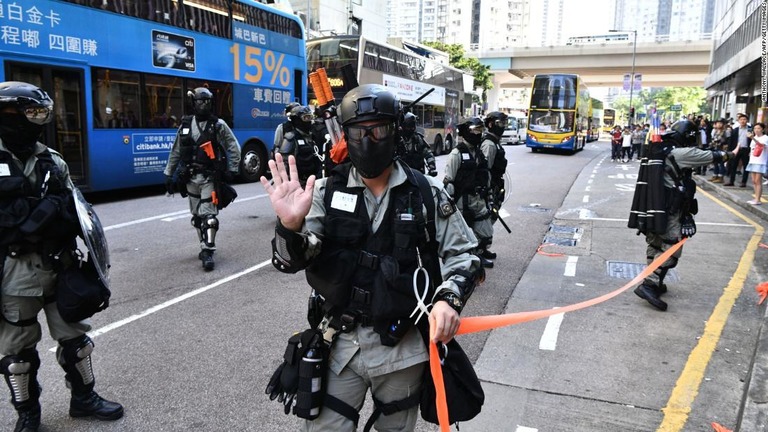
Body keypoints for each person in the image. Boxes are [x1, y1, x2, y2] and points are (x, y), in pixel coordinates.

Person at [260, 84, 482, 432]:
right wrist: (289, 226)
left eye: (379, 130)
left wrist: (449, 299)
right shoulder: (326, 191)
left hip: (402, 349)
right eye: (358, 132)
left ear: (394, 131)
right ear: (345, 134)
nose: (369, 140)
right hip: (339, 346)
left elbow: (465, 255)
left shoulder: (425, 193)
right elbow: (292, 260)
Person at [0, 81, 123, 432]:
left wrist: (51, 213)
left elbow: (77, 211)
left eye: (41, 113)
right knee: (17, 359)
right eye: (30, 112)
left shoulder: (52, 161)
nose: (37, 120)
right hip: (13, 274)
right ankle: (28, 414)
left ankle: (84, 399)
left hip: (58, 265)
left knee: (77, 343)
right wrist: (27, 216)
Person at [628, 119, 734, 311]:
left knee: (655, 244)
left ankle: (654, 282)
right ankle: (650, 285)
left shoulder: (662, 150)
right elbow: (711, 156)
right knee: (671, 248)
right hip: (670, 209)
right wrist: (732, 153)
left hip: (654, 207)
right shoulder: (682, 152)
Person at [163, 87, 241, 271]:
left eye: (207, 102)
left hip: (209, 178)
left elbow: (232, 145)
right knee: (197, 217)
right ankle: (202, 244)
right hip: (190, 178)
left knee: (209, 217)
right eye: (200, 101)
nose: (203, 105)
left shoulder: (218, 125)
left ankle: (208, 249)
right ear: (194, 103)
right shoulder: (186, 126)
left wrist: (233, 168)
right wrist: (168, 173)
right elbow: (176, 151)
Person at [444, 117, 495, 269]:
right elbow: (448, 181)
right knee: (464, 233)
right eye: (475, 130)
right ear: (466, 132)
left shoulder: (478, 152)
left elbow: (485, 175)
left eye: (480, 130)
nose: (478, 134)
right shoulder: (456, 154)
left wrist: (489, 195)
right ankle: (473, 258)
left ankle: (479, 251)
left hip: (478, 198)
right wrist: (450, 204)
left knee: (485, 231)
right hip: (462, 201)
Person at [479, 111, 510, 262]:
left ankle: (483, 249)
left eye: (504, 123)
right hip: (489, 188)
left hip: (495, 186)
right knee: (484, 221)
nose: (503, 127)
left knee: (490, 219)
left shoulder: (494, 142)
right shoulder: (489, 145)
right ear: (491, 124)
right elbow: (485, 171)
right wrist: (489, 192)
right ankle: (477, 252)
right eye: (500, 123)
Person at [278, 105, 322, 186]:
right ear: (296, 120)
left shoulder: (314, 135)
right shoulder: (290, 138)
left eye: (310, 117)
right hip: (300, 183)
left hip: (315, 181)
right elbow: (285, 163)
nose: (309, 121)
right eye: (306, 118)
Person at [724, 113, 751, 187]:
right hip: (736, 149)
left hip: (746, 150)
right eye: (741, 119)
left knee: (746, 166)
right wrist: (730, 150)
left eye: (744, 119)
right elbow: (731, 141)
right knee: (733, 165)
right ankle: (731, 181)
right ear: (738, 121)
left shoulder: (750, 129)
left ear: (747, 121)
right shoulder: (735, 130)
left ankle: (744, 182)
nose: (743, 121)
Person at [746, 122, 767, 205]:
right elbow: (753, 148)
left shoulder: (765, 138)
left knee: (758, 181)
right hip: (753, 160)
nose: (756, 130)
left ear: (762, 129)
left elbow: (761, 145)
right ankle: (755, 198)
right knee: (754, 181)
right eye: (755, 128)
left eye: (758, 128)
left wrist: (753, 138)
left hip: (760, 161)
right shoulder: (754, 137)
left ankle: (758, 199)